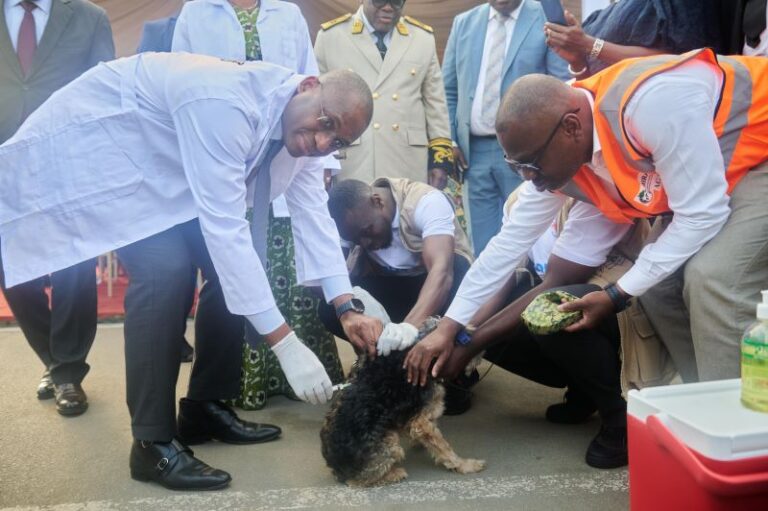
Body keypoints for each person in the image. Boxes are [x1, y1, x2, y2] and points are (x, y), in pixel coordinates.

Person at [0, 52, 382, 491]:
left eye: (336, 142)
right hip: (120, 153)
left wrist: (346, 306)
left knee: (232, 275)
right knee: (165, 273)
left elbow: (312, 213)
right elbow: (225, 230)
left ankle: (203, 407)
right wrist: (285, 343)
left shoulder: (304, 128)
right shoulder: (225, 103)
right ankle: (151, 444)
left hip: (179, 171)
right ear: (307, 86)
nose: (321, 142)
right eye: (325, 124)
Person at [406, 49, 768, 423]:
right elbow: (506, 248)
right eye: (517, 167)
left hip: (759, 157)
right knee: (658, 287)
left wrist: (616, 294)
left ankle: (742, 430)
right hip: (716, 174)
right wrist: (449, 328)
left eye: (530, 164)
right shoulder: (563, 153)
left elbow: (702, 215)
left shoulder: (651, 105)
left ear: (571, 128)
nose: (527, 177)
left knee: (713, 277)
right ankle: (703, 401)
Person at [171, 0, 344, 410]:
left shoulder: (287, 13)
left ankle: (288, 380)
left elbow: (312, 83)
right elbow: (181, 76)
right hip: (218, 152)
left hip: (284, 149)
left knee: (281, 267)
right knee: (227, 272)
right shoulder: (196, 11)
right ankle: (224, 395)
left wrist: (321, 158)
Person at [0, 0, 114, 416]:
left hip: (67, 160)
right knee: (9, 267)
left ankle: (67, 373)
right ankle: (53, 357)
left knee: (72, 267)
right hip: (2, 164)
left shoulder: (89, 18)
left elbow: (104, 93)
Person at [442, 0, 569, 256]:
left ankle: (525, 289)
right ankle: (490, 295)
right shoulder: (464, 23)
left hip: (528, 154)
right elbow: (449, 88)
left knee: (527, 236)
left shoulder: (545, 17)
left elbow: (562, 85)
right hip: (473, 154)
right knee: (484, 243)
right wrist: (451, 140)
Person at [314, 1, 461, 217]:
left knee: (407, 229)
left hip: (406, 159)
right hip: (354, 159)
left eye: (396, 1)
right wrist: (322, 160)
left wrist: (439, 160)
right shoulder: (331, 37)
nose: (388, 7)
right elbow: (318, 107)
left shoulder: (422, 38)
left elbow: (435, 104)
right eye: (380, 0)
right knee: (356, 228)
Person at [137, 6, 197, 364]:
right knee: (178, 265)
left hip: (221, 164)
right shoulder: (158, 30)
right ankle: (174, 335)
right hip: (169, 164)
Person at [544, 0, 728, 78]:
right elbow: (592, 82)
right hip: (607, 126)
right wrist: (577, 59)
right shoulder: (609, 12)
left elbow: (682, 61)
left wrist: (588, 44)